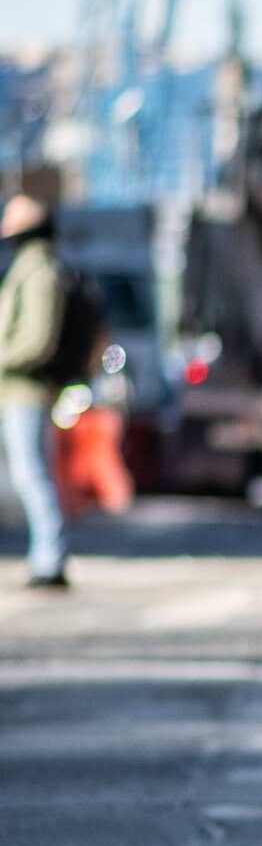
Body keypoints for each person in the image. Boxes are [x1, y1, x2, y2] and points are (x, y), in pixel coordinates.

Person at [0, 194, 69, 591]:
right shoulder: (27, 268)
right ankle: (45, 555)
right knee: (27, 476)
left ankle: (49, 559)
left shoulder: (40, 271)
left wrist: (3, 358)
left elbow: (37, 340)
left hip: (25, 392)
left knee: (33, 476)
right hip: (14, 391)